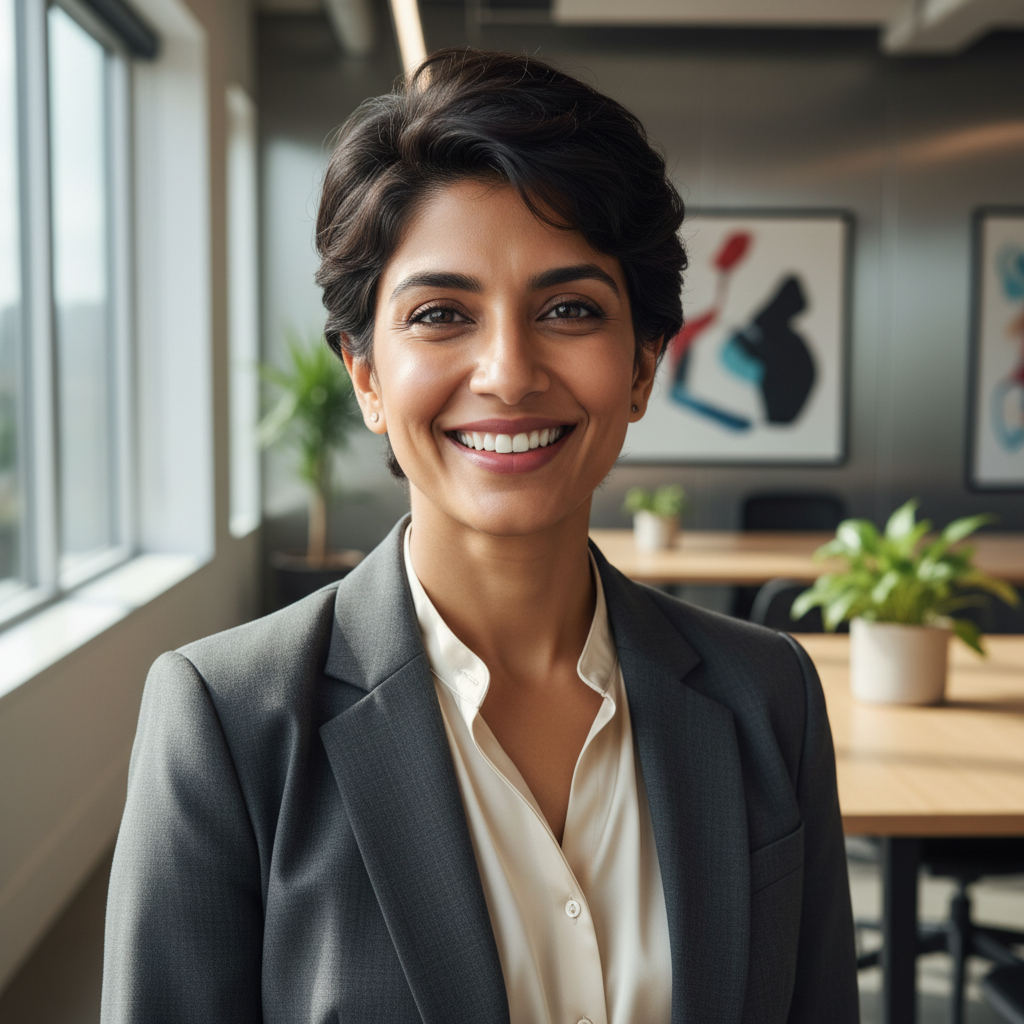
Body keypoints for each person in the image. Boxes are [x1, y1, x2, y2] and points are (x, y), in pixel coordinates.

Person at [102, 48, 858, 1024]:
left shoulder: (767, 696)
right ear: (366, 377)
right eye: (440, 314)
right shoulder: (230, 722)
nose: (507, 370)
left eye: (569, 308)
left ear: (640, 366)